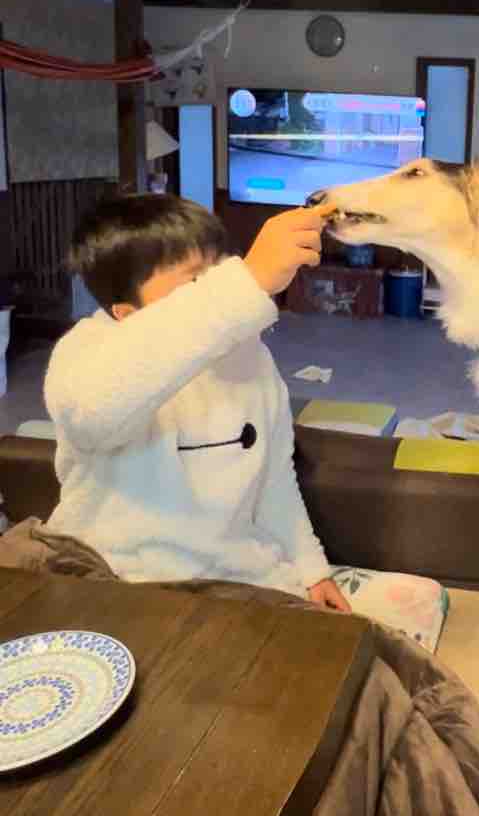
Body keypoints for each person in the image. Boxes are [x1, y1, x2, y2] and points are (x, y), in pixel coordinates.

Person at [43, 193, 352, 612]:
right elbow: (92, 413)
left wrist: (312, 569)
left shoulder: (251, 357)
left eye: (220, 269)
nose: (218, 285)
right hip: (112, 578)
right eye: (195, 283)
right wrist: (246, 284)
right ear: (126, 314)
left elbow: (274, 477)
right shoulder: (89, 352)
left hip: (234, 581)